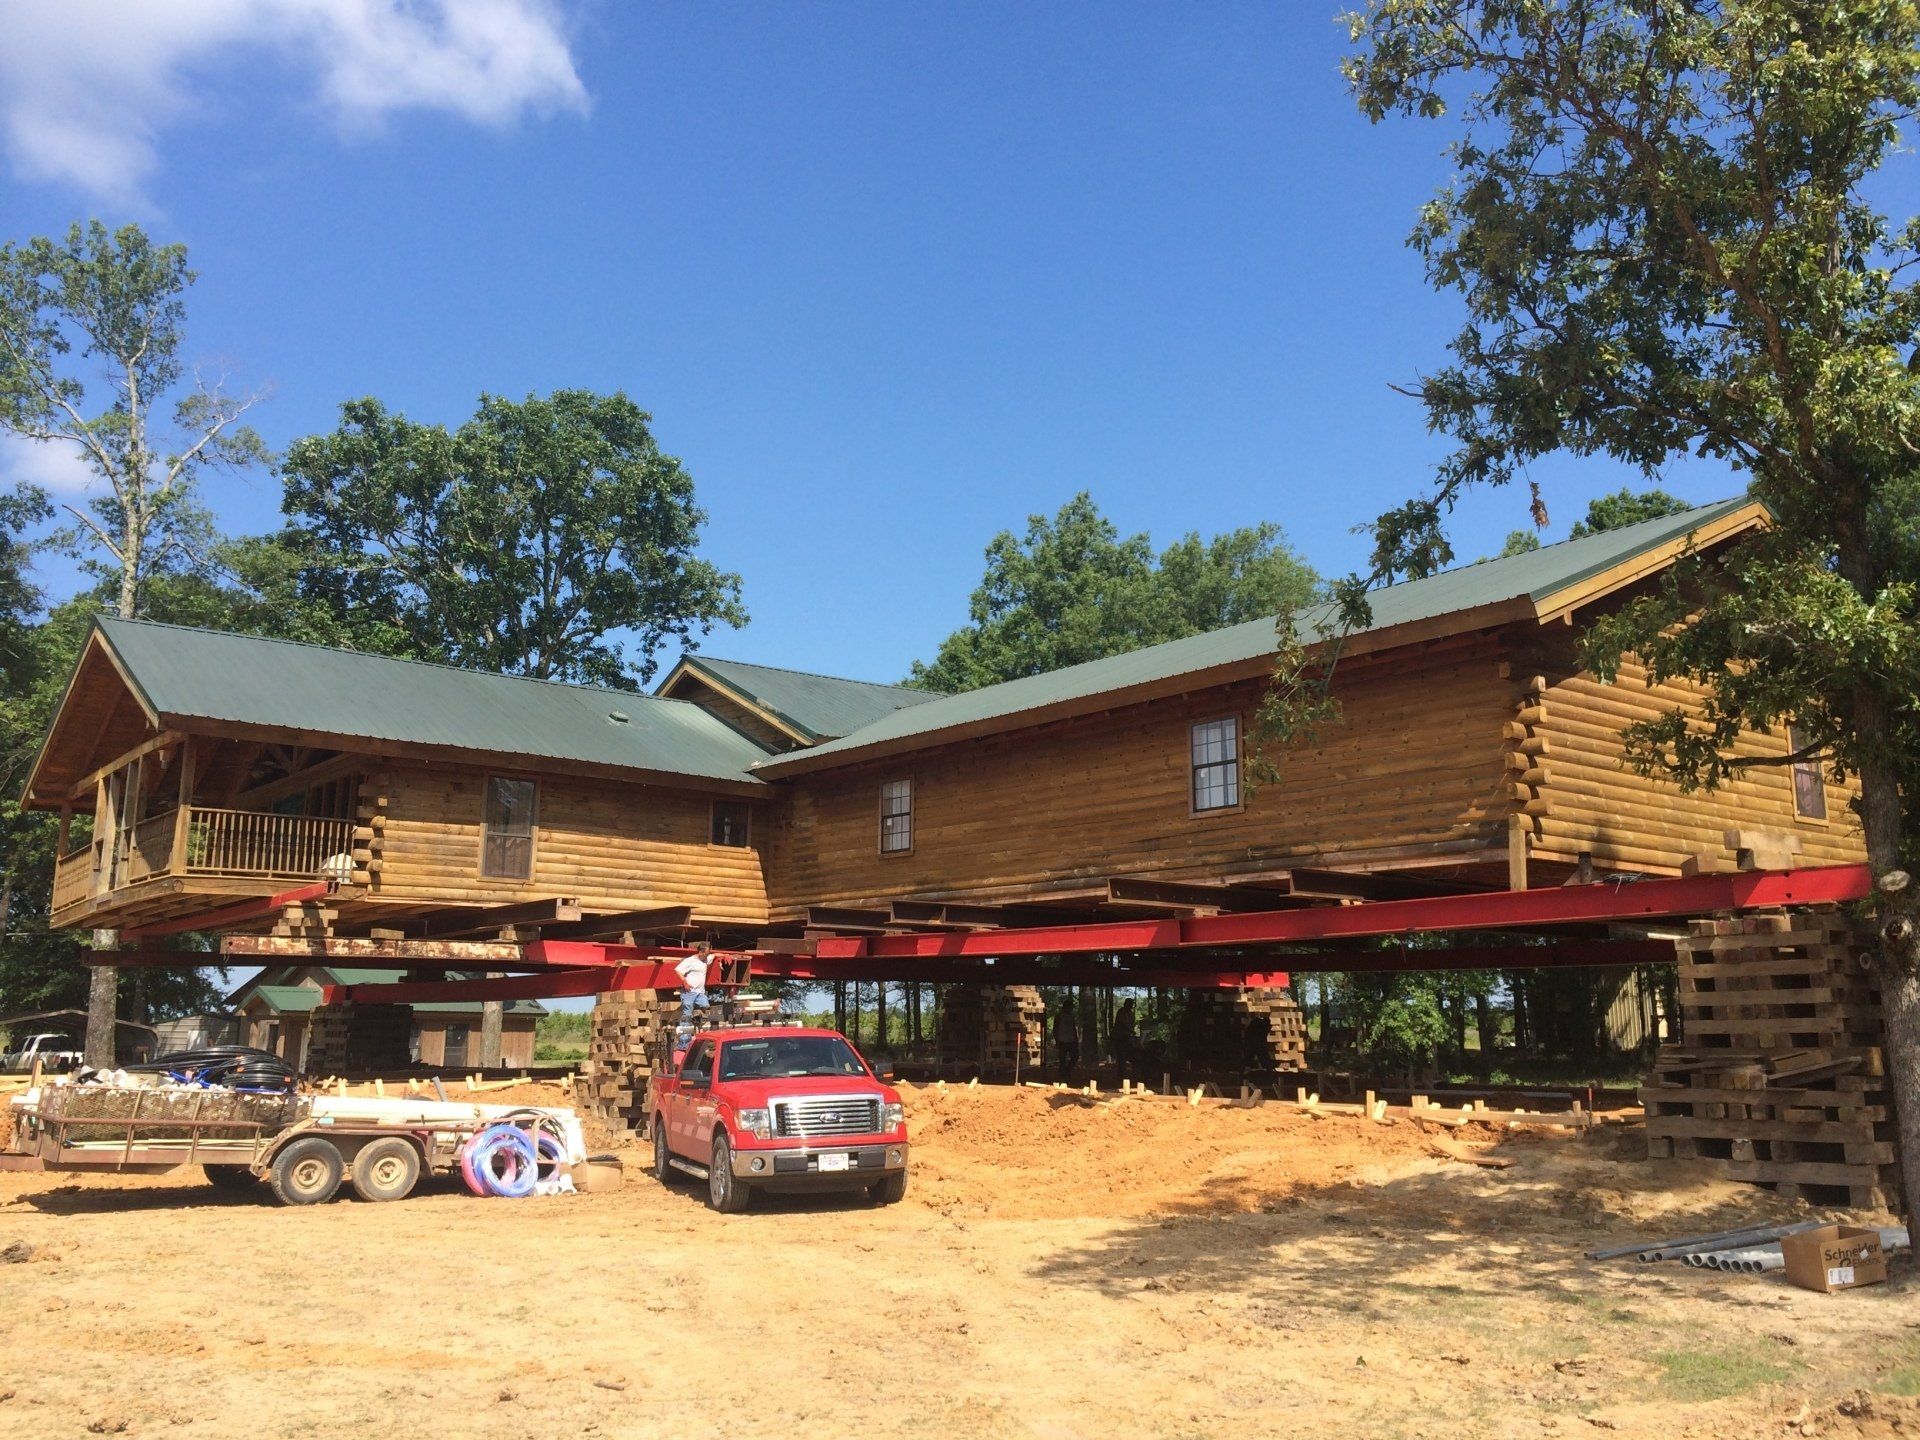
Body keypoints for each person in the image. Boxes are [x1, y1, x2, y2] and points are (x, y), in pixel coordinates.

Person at [673, 953, 710, 1049]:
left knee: (705, 1005)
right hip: (689, 992)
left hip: (700, 993)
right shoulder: (690, 960)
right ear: (701, 952)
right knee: (687, 1015)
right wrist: (685, 982)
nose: (708, 955)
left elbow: (714, 955)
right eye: (706, 953)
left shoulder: (706, 959)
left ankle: (696, 1019)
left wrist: (724, 955)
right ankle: (684, 1043)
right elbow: (677, 970)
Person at [1111, 997, 1138, 1080]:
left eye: (1131, 1004)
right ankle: (1120, 1074)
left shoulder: (1131, 1014)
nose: (1129, 1006)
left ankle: (1130, 1073)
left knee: (1131, 1055)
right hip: (1120, 1038)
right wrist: (1129, 1030)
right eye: (1128, 1004)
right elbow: (1122, 1023)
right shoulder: (1121, 1012)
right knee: (1121, 1057)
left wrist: (1131, 1032)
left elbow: (1131, 1024)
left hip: (1127, 1038)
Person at [1053, 1001, 1080, 1080]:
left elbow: (1074, 1028)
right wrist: (1056, 1040)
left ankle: (1067, 1071)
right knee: (1062, 1060)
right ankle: (1062, 1076)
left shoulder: (1072, 1016)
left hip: (1071, 1041)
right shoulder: (1059, 1016)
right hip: (1062, 1040)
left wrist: (1076, 1039)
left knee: (1075, 1057)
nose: (1070, 1009)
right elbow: (1055, 1029)